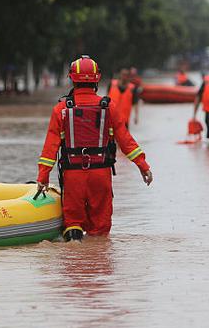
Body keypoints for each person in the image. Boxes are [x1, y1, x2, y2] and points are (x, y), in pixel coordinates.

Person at [36, 55, 153, 240]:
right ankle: (98, 263)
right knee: (100, 228)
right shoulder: (109, 107)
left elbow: (50, 149)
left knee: (73, 222)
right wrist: (143, 165)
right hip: (101, 173)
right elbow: (126, 140)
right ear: (97, 79)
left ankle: (75, 255)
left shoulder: (62, 110)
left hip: (73, 174)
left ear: (72, 78)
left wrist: (43, 177)